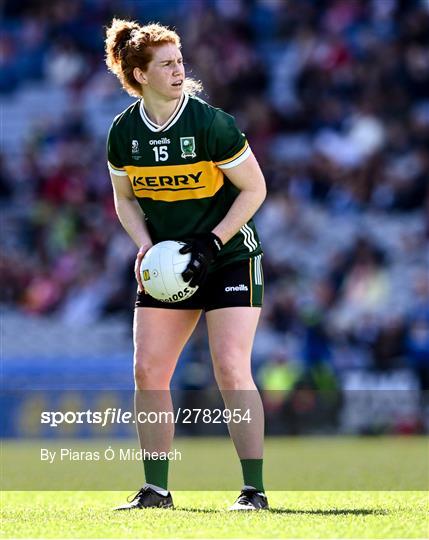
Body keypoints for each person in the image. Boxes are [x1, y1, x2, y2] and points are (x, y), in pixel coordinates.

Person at [105, 18, 268, 511]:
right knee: (147, 370)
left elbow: (254, 189)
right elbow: (125, 200)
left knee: (230, 369)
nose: (179, 71)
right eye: (167, 64)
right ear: (139, 73)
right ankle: (156, 490)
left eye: (180, 62)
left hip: (229, 257)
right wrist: (146, 247)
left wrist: (212, 243)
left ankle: (253, 491)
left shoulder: (211, 123)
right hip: (168, 264)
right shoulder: (123, 132)